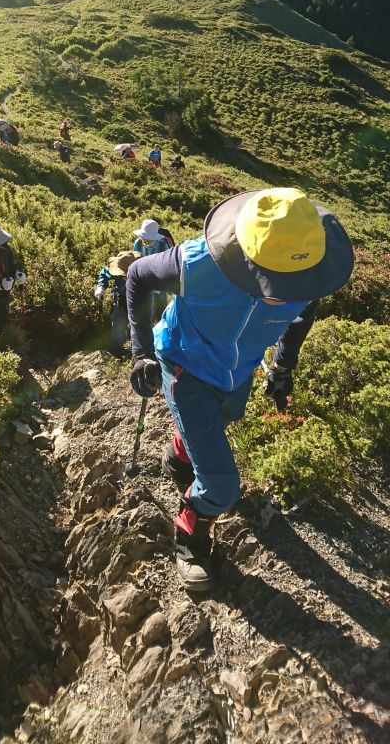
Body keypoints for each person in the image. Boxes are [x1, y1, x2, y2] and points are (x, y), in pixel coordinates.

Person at [127, 187, 354, 593]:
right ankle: (190, 535)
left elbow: (303, 315)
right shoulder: (198, 264)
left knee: (226, 416)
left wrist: (283, 366)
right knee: (222, 486)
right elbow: (137, 276)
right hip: (186, 364)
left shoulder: (307, 277)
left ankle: (180, 456)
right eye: (278, 281)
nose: (288, 292)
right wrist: (140, 353)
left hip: (237, 372)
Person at [94, 250, 140, 356]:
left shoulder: (142, 270)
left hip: (137, 304)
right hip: (119, 302)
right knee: (117, 333)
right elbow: (104, 273)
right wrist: (101, 286)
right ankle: (118, 354)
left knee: (138, 330)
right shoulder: (116, 268)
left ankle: (137, 354)